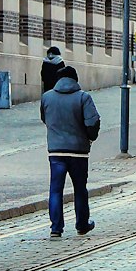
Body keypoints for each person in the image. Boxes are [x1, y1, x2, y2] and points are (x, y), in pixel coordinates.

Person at [40, 65, 101, 237]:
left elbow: (45, 119)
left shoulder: (47, 97)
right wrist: (90, 138)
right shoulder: (83, 97)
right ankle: (82, 224)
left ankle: (56, 228)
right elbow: (92, 122)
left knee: (55, 189)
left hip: (56, 151)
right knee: (80, 188)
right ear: (75, 79)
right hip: (78, 151)